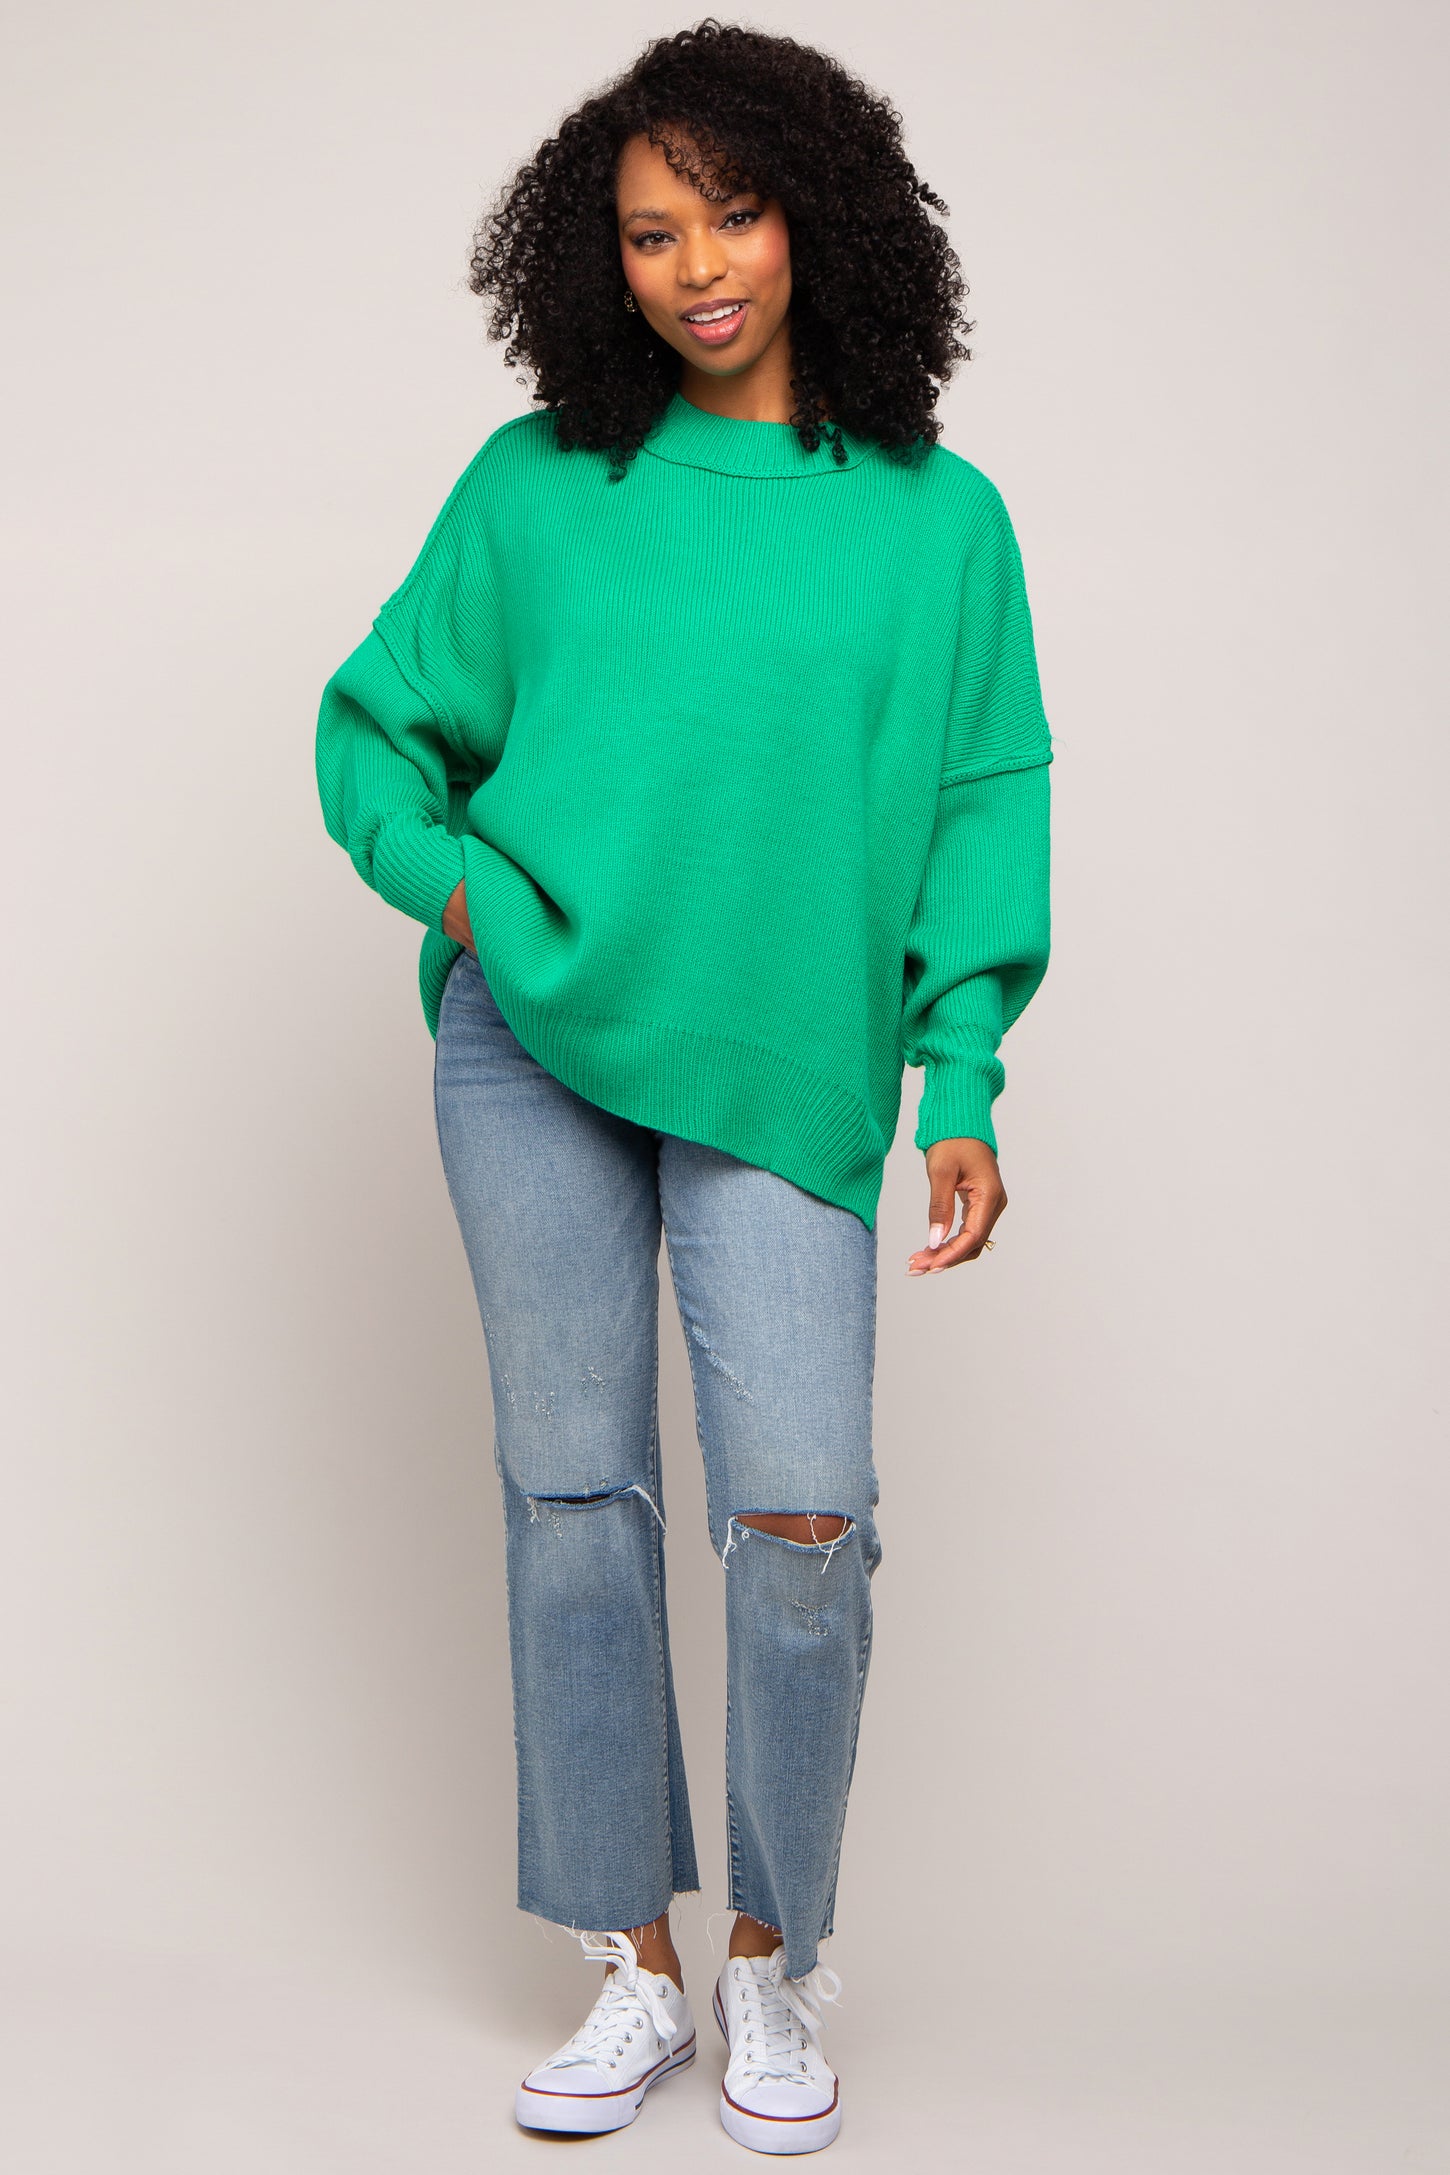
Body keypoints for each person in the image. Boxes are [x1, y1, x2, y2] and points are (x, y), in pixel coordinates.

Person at [314, 19, 1053, 2155]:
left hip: (783, 1055)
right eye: (650, 232)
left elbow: (979, 802)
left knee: (803, 1512)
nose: (698, 265)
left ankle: (769, 1959)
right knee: (572, 1499)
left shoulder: (937, 523)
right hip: (528, 1046)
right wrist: (460, 892)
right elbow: (375, 728)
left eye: (733, 214)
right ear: (597, 258)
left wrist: (961, 1073)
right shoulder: (534, 485)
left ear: (822, 223)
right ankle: (631, 1962)